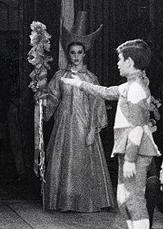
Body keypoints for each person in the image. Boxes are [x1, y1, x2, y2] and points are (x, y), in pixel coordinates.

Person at [62, 39, 160, 229]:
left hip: (134, 150)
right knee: (123, 200)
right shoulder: (130, 85)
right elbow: (106, 92)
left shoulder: (136, 88)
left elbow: (137, 126)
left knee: (134, 200)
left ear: (130, 61)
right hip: (127, 148)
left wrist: (129, 159)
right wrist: (79, 84)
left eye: (120, 59)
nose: (117, 63)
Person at [43, 12, 115, 212]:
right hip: (64, 127)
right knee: (64, 164)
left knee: (83, 164)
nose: (75, 56)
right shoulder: (59, 76)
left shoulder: (91, 79)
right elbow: (52, 99)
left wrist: (93, 130)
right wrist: (40, 101)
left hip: (84, 127)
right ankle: (64, 201)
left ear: (85, 54)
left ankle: (85, 202)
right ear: (69, 53)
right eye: (72, 52)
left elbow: (98, 106)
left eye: (79, 53)